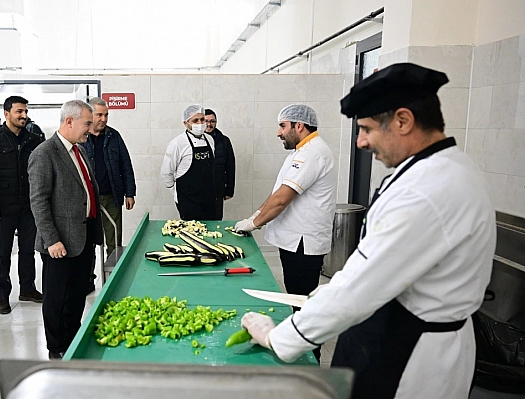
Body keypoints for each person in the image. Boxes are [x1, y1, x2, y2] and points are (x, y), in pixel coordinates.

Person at [240, 63, 496, 399]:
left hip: (410, 356)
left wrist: (279, 338)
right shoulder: (447, 167)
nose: (360, 142)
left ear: (403, 121)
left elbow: (358, 291)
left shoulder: (426, 189)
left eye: (367, 129)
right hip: (410, 331)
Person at [28, 100, 103, 359]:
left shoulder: (79, 151)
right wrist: (52, 240)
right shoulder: (44, 153)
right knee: (57, 298)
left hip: (82, 236)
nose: (90, 129)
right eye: (86, 124)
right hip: (59, 243)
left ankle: (72, 335)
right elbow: (38, 201)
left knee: (77, 293)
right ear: (69, 121)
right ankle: (55, 347)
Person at [235, 104, 336, 298]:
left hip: (303, 242)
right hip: (295, 240)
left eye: (282, 126)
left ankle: (303, 328)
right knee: (293, 290)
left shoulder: (312, 153)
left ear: (299, 126)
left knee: (300, 296)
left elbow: (282, 199)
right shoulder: (300, 152)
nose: (278, 133)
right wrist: (256, 214)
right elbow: (278, 191)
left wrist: (254, 224)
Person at [0, 96, 44, 314]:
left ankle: (27, 289)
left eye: (25, 111)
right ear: (6, 114)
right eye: (19, 112)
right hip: (2, 210)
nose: (24, 115)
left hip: (28, 208)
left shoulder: (34, 140)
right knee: (2, 253)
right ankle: (2, 296)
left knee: (28, 251)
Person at [81, 97, 136, 291]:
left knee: (113, 240)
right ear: (90, 115)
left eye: (106, 115)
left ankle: (113, 279)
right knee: (88, 241)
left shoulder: (114, 136)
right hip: (86, 200)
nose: (103, 119)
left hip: (111, 196)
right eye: (99, 115)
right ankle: (87, 280)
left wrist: (130, 192)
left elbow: (125, 165)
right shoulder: (81, 136)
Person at [160, 104, 217, 220]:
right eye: (195, 120)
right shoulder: (177, 144)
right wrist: (176, 193)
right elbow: (166, 172)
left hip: (209, 198)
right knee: (192, 234)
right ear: (186, 123)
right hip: (188, 200)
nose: (200, 123)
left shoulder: (210, 140)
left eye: (202, 120)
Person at [204, 109, 235, 220]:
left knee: (216, 219)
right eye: (206, 121)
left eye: (212, 121)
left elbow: (230, 166)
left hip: (217, 189)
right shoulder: (194, 141)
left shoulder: (224, 141)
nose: (209, 124)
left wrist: (229, 190)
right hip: (199, 189)